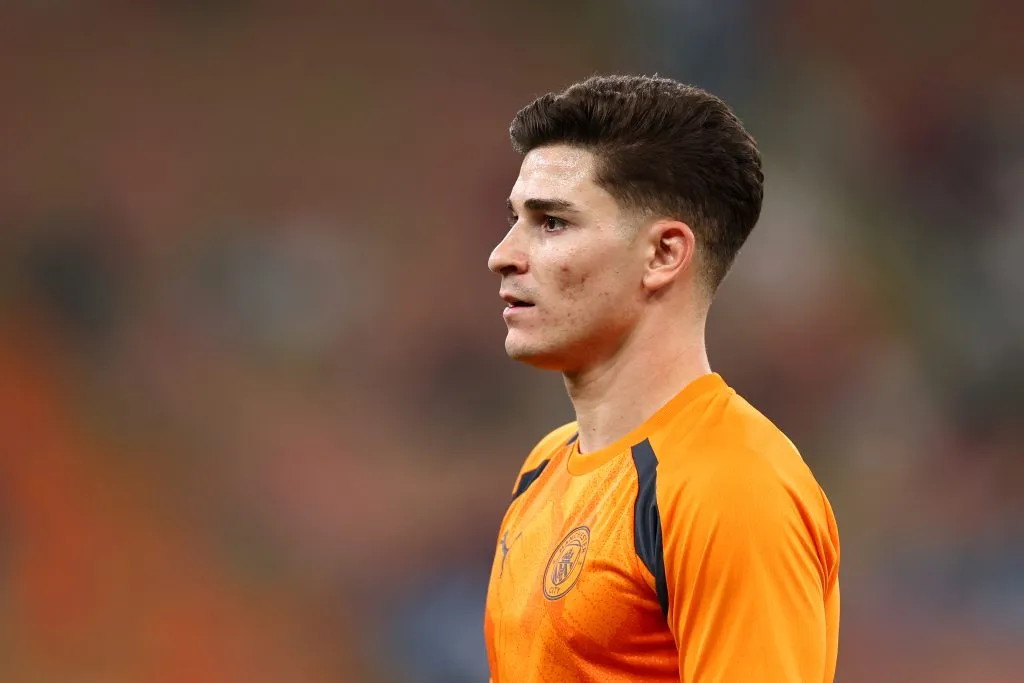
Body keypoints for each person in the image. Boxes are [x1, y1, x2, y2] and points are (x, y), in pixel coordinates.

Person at [483, 75, 840, 682]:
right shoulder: (546, 466)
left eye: (552, 223)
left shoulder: (731, 487)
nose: (503, 254)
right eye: (516, 218)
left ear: (663, 255)